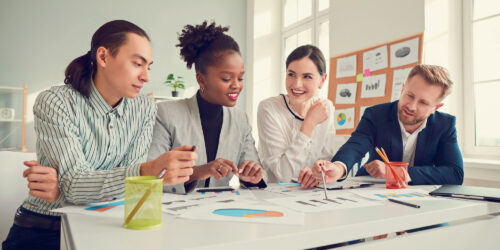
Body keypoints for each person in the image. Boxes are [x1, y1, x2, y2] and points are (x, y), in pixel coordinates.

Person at [2, 20, 197, 250]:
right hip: (45, 228)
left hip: (106, 225)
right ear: (103, 57)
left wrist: (63, 191)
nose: (146, 76)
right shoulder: (56, 102)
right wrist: (147, 171)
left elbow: (126, 192)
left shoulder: (144, 109)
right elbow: (76, 184)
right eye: (137, 64)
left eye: (149, 67)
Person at [147, 21, 266, 194]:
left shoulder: (241, 119)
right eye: (226, 78)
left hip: (220, 214)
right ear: (201, 79)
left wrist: (253, 176)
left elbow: (256, 177)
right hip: (173, 216)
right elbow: (151, 177)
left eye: (240, 78)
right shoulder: (166, 114)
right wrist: (197, 172)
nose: (236, 86)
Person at [312, 64, 463, 185]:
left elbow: (455, 174)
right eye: (409, 95)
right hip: (373, 190)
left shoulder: (445, 125)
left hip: (421, 199)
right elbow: (355, 146)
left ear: (436, 107)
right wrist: (338, 168)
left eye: (423, 102)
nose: (411, 106)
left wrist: (395, 172)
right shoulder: (376, 115)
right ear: (403, 88)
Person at [257, 45, 341, 188]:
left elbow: (325, 157)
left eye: (307, 76)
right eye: (291, 74)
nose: (296, 84)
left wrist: (317, 172)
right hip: (275, 194)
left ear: (322, 80)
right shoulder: (268, 108)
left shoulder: (326, 107)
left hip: (311, 194)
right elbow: (283, 175)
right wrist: (309, 124)